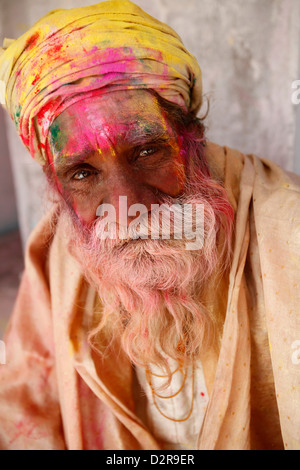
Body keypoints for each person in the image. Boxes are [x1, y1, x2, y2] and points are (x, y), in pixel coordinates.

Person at [0, 0, 299, 451]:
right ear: (57, 184)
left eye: (145, 151)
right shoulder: (56, 249)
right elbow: (23, 401)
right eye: (83, 172)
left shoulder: (289, 232)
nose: (127, 205)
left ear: (191, 137)